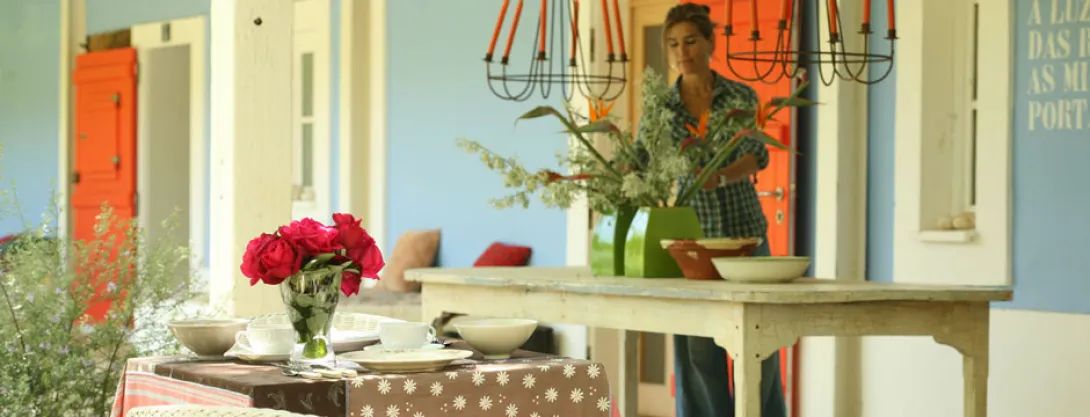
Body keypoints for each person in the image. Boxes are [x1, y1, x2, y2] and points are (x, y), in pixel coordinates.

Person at [639, 3, 788, 416]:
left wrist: (721, 176)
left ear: (710, 43)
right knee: (699, 349)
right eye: (673, 44)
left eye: (690, 41)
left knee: (759, 343)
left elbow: (757, 154)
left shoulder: (740, 96)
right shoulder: (661, 107)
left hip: (745, 234)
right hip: (693, 239)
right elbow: (641, 159)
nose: (681, 51)